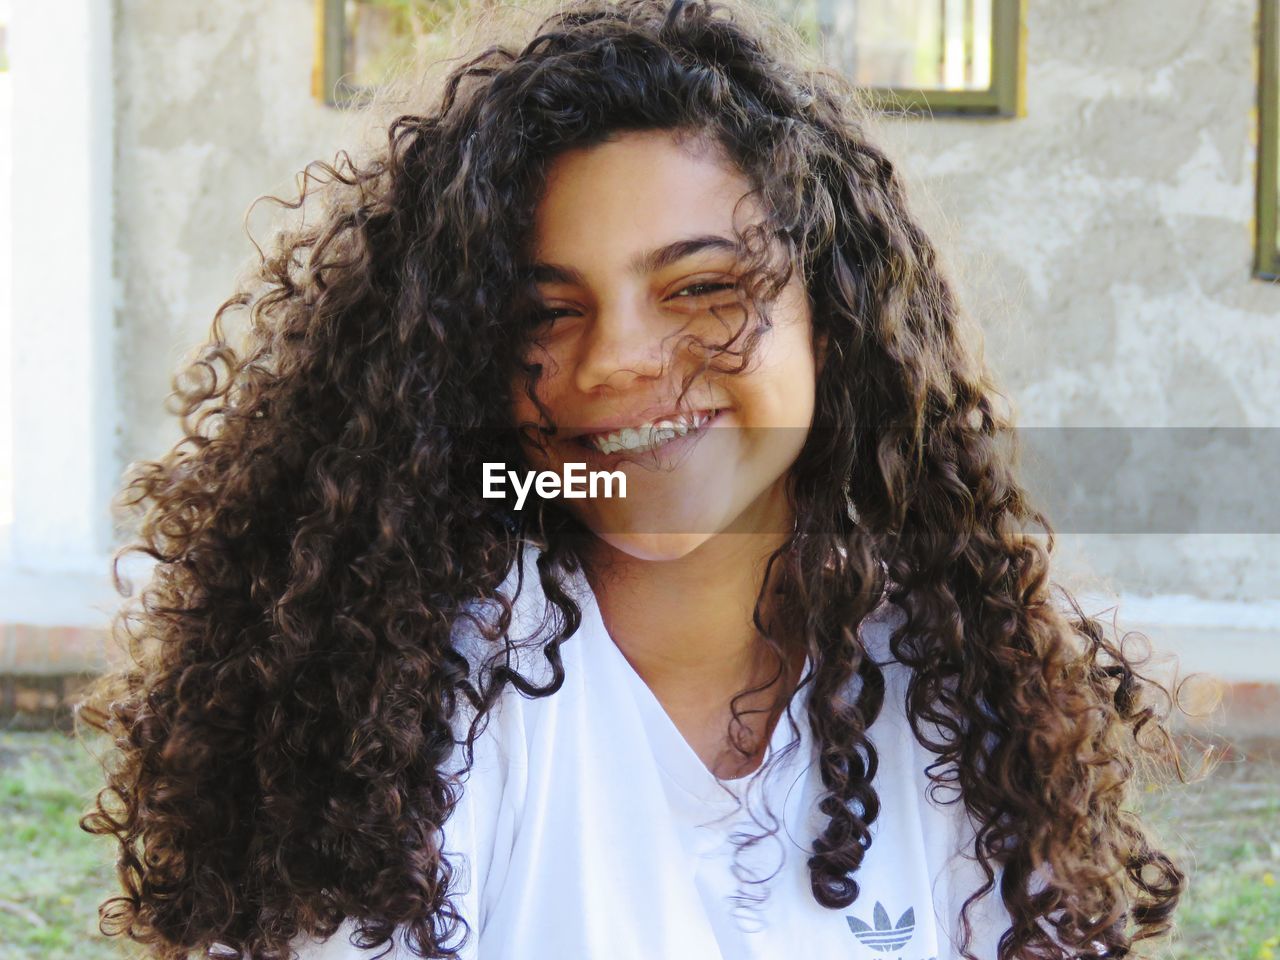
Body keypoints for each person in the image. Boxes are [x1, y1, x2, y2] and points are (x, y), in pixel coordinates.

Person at [77, 0, 1192, 957]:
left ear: (834, 324)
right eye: (544, 311)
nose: (613, 362)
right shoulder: (405, 692)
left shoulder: (955, 674)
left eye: (703, 288)